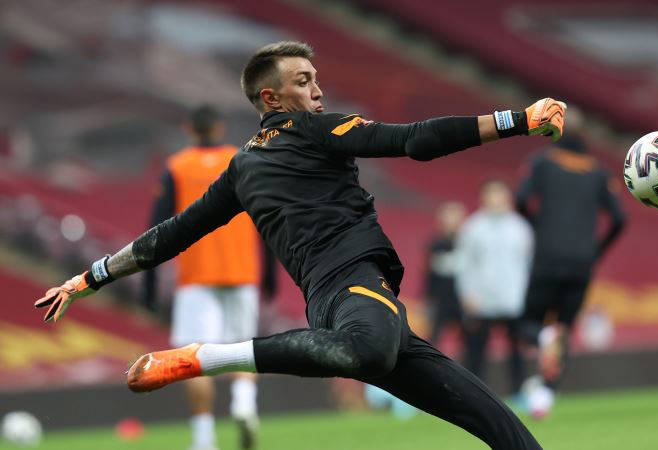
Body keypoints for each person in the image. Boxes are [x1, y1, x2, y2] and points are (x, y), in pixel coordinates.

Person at [34, 41, 566, 450]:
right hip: (356, 290)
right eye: (304, 81)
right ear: (271, 98)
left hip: (343, 304)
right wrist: (518, 120)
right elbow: (414, 140)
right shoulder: (316, 131)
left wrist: (89, 277)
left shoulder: (241, 169)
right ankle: (207, 357)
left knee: (503, 429)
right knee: (370, 350)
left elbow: (170, 235)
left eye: (316, 79)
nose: (318, 91)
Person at [143, 105, 276, 450]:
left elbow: (157, 229)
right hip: (242, 273)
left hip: (196, 278)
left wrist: (149, 284)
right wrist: (270, 274)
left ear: (189, 128)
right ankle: (244, 405)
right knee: (242, 348)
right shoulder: (243, 161)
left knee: (194, 356)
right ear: (219, 127)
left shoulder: (177, 167)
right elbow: (266, 217)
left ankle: (204, 439)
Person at [516, 115, 626, 417]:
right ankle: (546, 395)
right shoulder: (597, 172)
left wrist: (538, 227)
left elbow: (521, 199)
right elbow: (619, 219)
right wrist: (595, 251)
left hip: (548, 257)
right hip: (581, 263)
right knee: (564, 328)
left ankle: (542, 338)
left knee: (527, 324)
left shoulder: (542, 162)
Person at [456, 180, 533, 399]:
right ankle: (476, 395)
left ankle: (519, 392)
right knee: (477, 351)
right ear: (484, 199)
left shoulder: (520, 227)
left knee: (517, 350)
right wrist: (467, 294)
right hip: (482, 299)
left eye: (500, 195)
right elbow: (464, 264)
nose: (495, 200)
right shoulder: (473, 228)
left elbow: (527, 263)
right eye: (491, 195)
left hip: (513, 298)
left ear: (508, 198)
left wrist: (527, 294)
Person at [424, 201, 466, 347]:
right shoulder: (435, 244)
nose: (451, 223)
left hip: (463, 299)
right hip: (440, 299)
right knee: (433, 339)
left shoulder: (469, 244)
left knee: (468, 338)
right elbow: (429, 275)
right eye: (447, 218)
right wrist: (428, 299)